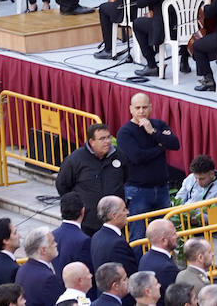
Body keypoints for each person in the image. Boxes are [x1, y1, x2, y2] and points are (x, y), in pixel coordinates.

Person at [118, 93, 181, 240]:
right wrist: (160, 147)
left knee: (165, 234)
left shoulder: (158, 125)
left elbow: (175, 144)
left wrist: (153, 132)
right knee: (138, 235)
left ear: (151, 107)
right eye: (137, 108)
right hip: (138, 191)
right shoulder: (125, 132)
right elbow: (137, 157)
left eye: (144, 107)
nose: (141, 111)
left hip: (161, 189)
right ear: (131, 109)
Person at [56, 123, 127, 234]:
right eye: (102, 139)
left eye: (109, 137)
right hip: (88, 223)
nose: (107, 141)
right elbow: (62, 185)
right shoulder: (75, 159)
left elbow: (126, 177)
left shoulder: (119, 155)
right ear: (91, 142)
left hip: (114, 222)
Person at [90, 197, 139, 275]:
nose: (127, 212)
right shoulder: (118, 244)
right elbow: (131, 274)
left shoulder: (96, 236)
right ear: (114, 215)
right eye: (124, 209)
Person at [16, 230, 64, 306]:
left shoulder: (23, 268)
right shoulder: (48, 278)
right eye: (52, 242)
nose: (56, 244)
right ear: (43, 250)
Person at [137, 220, 179, 306]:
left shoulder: (145, 258)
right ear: (164, 240)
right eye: (174, 234)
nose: (177, 236)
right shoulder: (167, 268)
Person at [53, 192, 93, 270]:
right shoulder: (84, 240)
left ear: (60, 211)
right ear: (83, 211)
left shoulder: (52, 235)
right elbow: (88, 271)